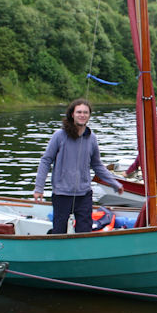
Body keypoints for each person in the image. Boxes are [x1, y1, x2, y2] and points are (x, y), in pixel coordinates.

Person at [34, 99, 123, 234]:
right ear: (72, 115)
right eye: (79, 112)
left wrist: (114, 183)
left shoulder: (91, 138)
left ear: (89, 116)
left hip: (84, 194)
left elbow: (97, 165)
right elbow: (46, 160)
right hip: (62, 193)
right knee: (59, 231)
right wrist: (39, 188)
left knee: (84, 232)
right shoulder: (59, 135)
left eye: (85, 113)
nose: (82, 115)